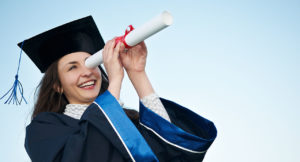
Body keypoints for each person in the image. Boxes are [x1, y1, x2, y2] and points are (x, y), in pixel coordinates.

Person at [20, 16, 217, 162]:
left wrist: (137, 73)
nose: (87, 72)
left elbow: (174, 151)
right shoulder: (44, 130)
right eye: (73, 67)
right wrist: (115, 82)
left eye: (91, 63)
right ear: (57, 85)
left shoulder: (126, 123)